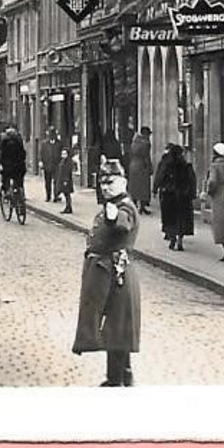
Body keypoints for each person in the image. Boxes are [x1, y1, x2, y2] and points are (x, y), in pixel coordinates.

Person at [72, 160, 141, 387]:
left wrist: (113, 217)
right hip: (108, 274)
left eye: (110, 182)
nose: (105, 187)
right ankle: (123, 374)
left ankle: (116, 378)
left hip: (117, 274)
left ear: (123, 182)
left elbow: (123, 224)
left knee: (117, 326)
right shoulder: (113, 203)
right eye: (102, 182)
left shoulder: (125, 206)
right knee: (117, 326)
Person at [153, 144, 196, 251]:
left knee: (170, 219)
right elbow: (191, 180)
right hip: (182, 195)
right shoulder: (185, 165)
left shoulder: (167, 165)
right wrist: (191, 194)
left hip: (169, 194)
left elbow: (160, 177)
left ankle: (172, 239)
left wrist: (155, 188)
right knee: (181, 219)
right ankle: (180, 240)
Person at [206, 142, 224, 262]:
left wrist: (209, 191)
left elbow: (212, 182)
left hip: (219, 196)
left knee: (219, 224)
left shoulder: (214, 166)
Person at [0, 126, 28, 211]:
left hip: (9, 168)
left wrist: (0, 164)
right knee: (19, 183)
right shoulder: (19, 142)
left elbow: (2, 155)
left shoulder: (5, 142)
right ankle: (21, 200)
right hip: (19, 167)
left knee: (5, 178)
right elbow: (23, 154)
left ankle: (7, 192)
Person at [128, 127, 153, 213]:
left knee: (134, 187)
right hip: (142, 166)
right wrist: (150, 168)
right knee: (143, 187)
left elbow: (130, 154)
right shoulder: (146, 143)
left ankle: (134, 205)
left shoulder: (134, 142)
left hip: (133, 165)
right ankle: (142, 206)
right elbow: (146, 157)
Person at [40, 130, 62, 203]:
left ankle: (56, 196)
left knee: (56, 181)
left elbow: (61, 153)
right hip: (47, 165)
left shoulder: (59, 144)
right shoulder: (44, 144)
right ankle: (48, 196)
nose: (52, 137)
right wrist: (41, 162)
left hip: (56, 165)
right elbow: (41, 153)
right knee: (48, 182)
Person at [56, 143, 77, 214]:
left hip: (66, 181)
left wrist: (65, 180)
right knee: (66, 194)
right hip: (62, 180)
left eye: (64, 153)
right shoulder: (62, 161)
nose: (63, 155)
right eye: (62, 153)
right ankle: (68, 207)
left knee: (67, 194)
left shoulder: (68, 162)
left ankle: (68, 208)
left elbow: (67, 172)